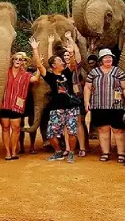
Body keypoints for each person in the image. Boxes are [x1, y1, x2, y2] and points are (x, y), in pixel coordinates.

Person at [0, 44, 44, 160]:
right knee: (5, 128)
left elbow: (35, 79)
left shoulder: (25, 75)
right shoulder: (5, 72)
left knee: (16, 128)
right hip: (4, 104)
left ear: (23, 62)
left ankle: (14, 152)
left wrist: (40, 67)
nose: (18, 61)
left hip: (17, 106)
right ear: (12, 60)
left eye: (20, 59)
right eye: (16, 59)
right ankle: (7, 152)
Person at [84, 49, 125, 163]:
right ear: (100, 60)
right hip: (99, 105)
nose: (108, 59)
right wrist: (86, 101)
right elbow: (87, 87)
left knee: (119, 130)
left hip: (117, 106)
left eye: (110, 57)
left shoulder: (118, 72)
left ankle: (121, 154)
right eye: (105, 57)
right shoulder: (94, 72)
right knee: (103, 129)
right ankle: (105, 153)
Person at [43, 34, 81, 164]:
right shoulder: (50, 76)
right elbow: (43, 63)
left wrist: (71, 53)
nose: (62, 61)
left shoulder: (67, 73)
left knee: (72, 132)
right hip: (56, 107)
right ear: (54, 65)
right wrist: (38, 49)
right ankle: (58, 152)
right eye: (59, 60)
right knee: (51, 133)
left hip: (70, 106)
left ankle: (71, 153)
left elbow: (72, 64)